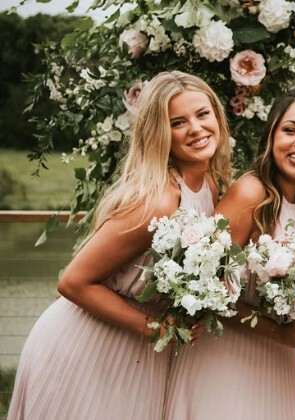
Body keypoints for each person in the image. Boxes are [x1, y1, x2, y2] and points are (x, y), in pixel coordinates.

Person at [7, 71, 231, 419]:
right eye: (178, 122)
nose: (197, 128)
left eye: (203, 114)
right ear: (160, 134)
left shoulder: (213, 186)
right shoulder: (157, 200)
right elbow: (72, 282)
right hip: (89, 346)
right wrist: (157, 328)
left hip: (139, 352)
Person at [165, 89, 295, 419]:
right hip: (226, 360)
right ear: (271, 135)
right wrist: (280, 333)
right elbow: (205, 291)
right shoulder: (251, 192)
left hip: (277, 360)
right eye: (290, 130)